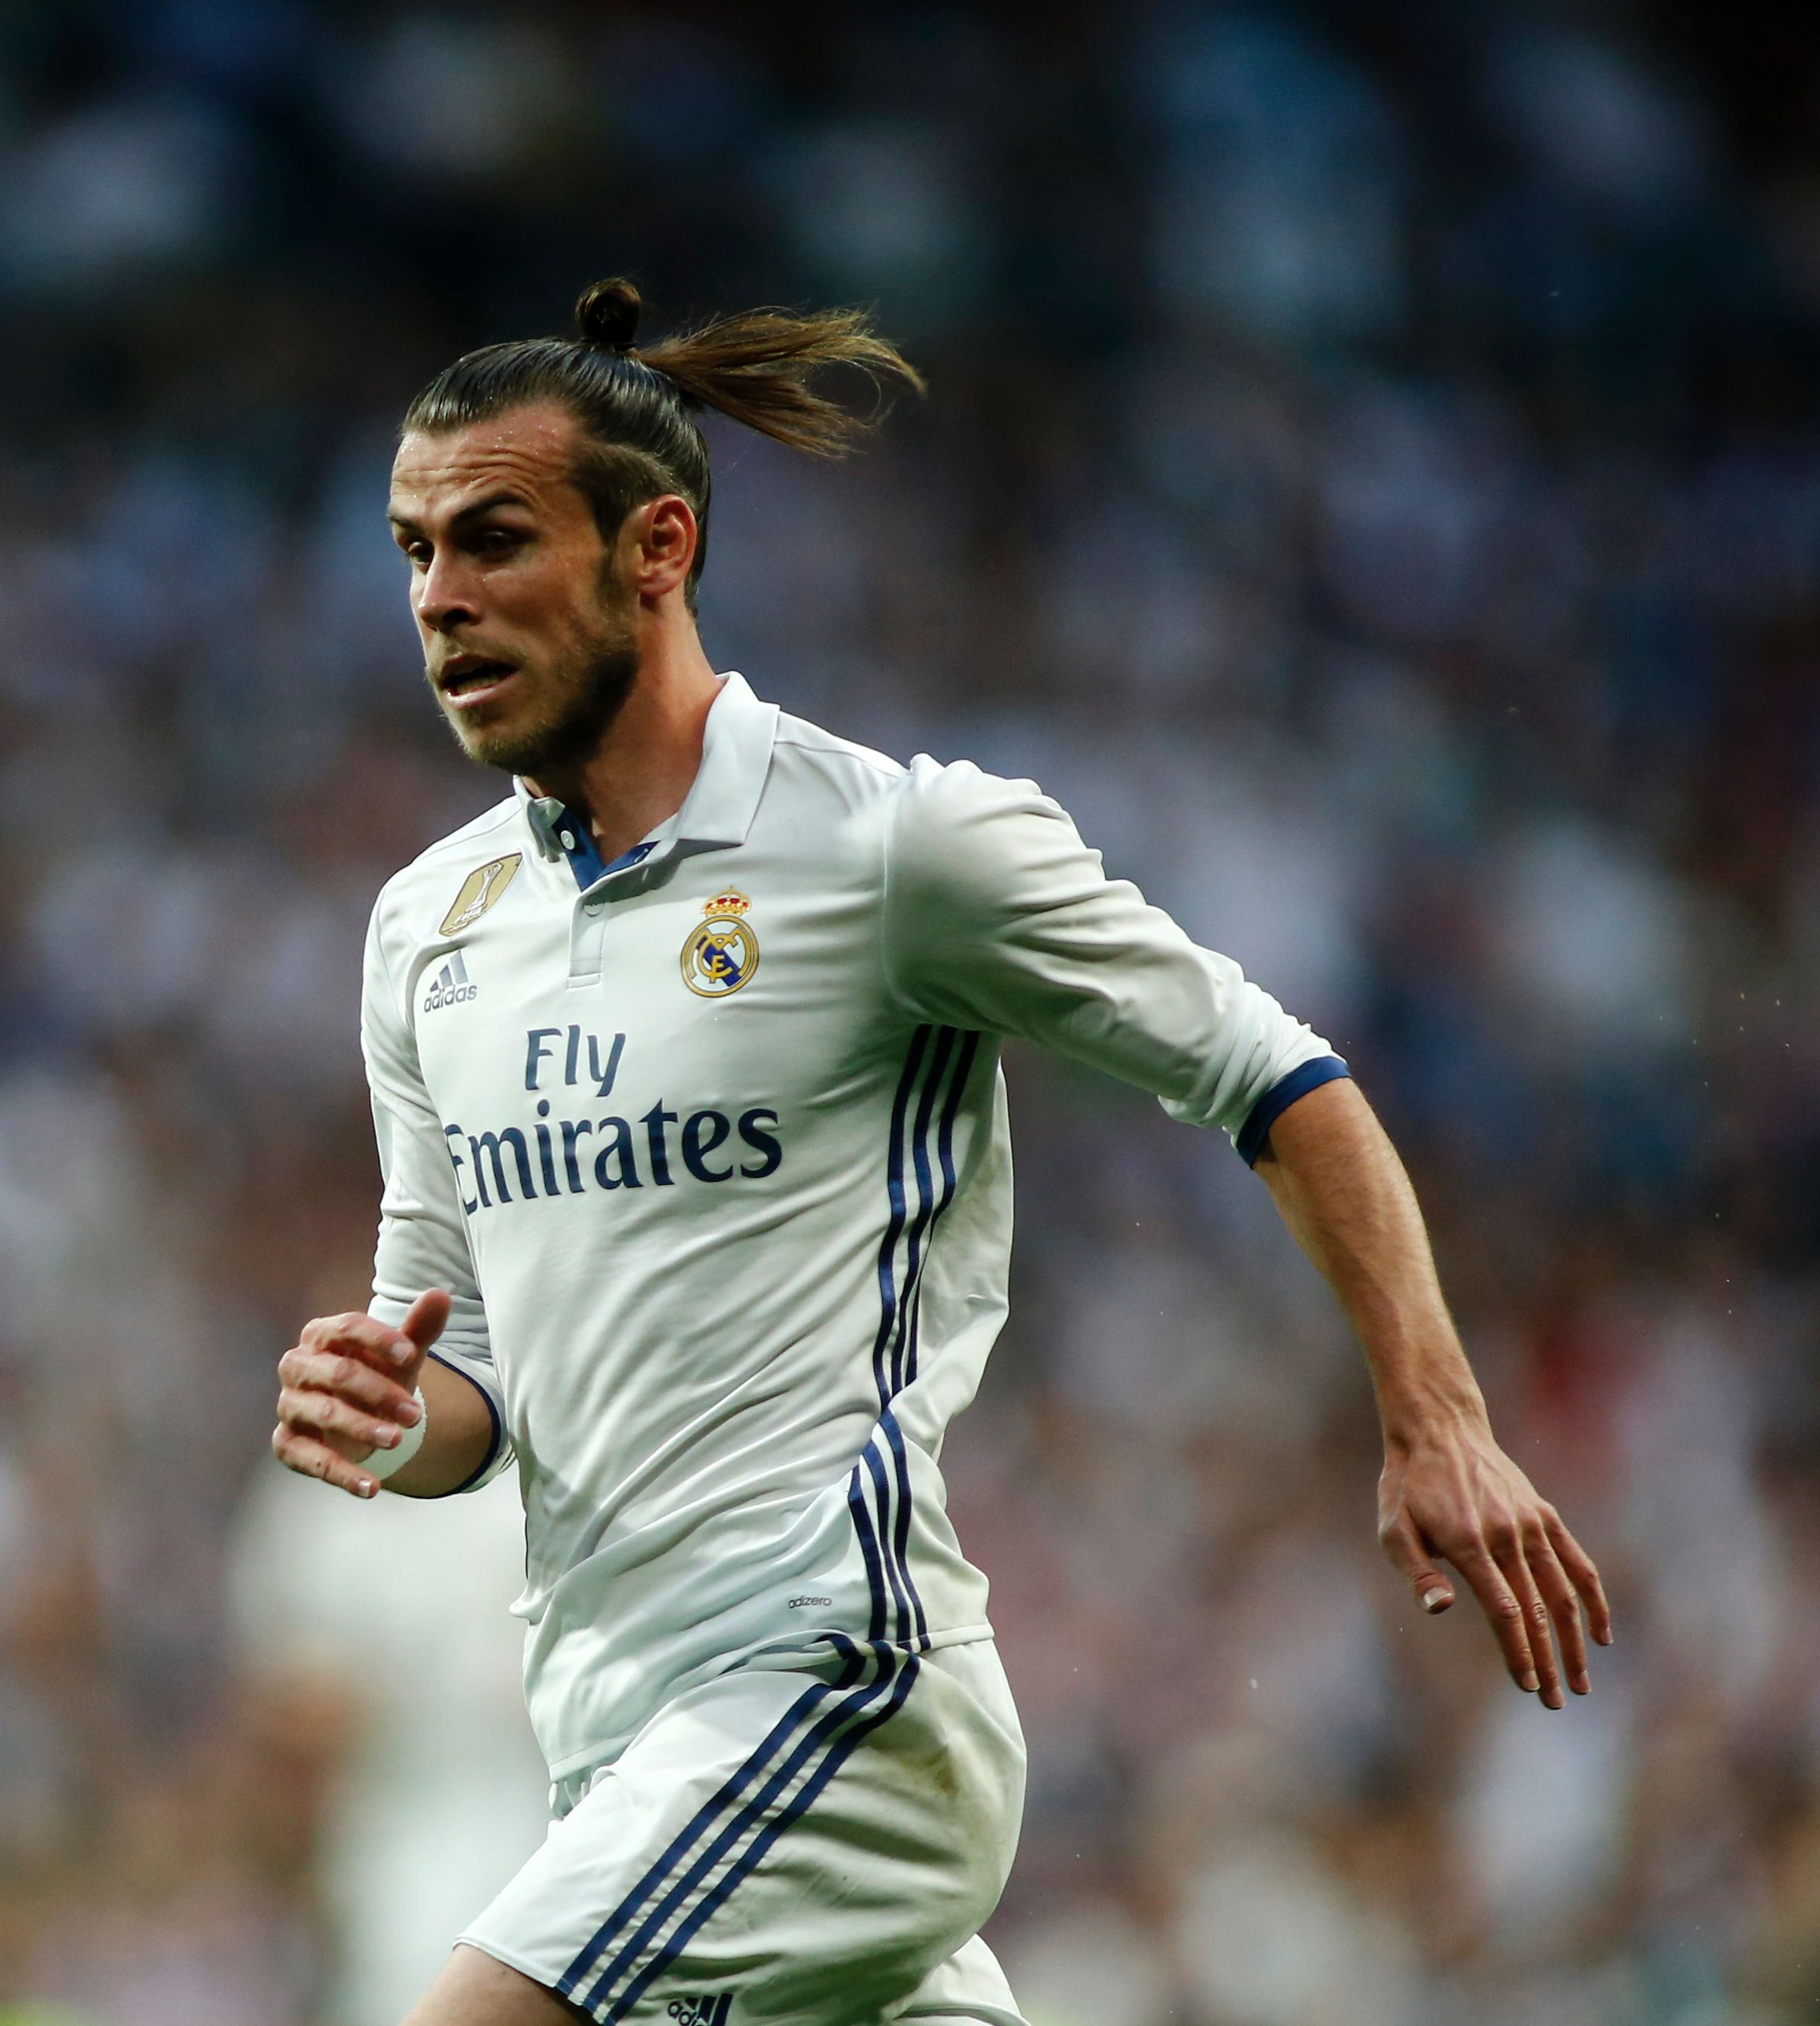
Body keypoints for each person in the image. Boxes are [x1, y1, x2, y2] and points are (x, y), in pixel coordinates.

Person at [267, 279, 1612, 2026]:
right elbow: (472, 1386)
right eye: (413, 550)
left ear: (654, 547)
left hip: (834, 1694)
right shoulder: (428, 929)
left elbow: (1278, 1077)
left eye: (494, 540)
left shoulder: (894, 849)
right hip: (615, 1741)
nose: (438, 599)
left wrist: (1438, 1417)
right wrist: (383, 1409)